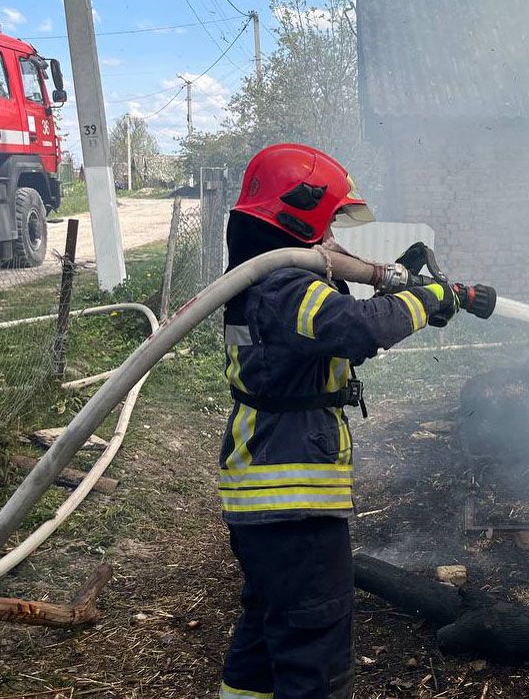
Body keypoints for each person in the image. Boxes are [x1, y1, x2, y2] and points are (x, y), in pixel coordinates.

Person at [217, 143, 459, 699]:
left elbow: (333, 324)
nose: (331, 238)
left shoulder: (261, 282)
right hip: (291, 502)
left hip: (264, 500)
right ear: (298, 216)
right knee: (315, 649)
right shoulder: (284, 287)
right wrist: (431, 298)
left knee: (267, 632)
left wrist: (398, 282)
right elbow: (356, 328)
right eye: (327, 224)